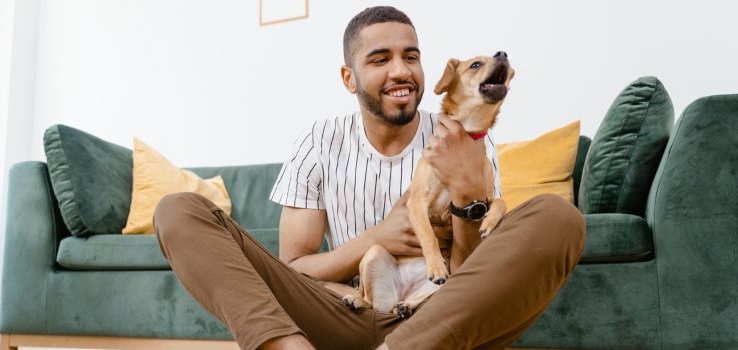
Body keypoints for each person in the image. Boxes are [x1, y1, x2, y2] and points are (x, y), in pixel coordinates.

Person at [154, 6, 585, 350]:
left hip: (438, 317)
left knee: (558, 218)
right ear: (349, 78)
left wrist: (469, 198)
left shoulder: (465, 136)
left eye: (410, 57)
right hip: (343, 308)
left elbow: (469, 276)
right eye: (380, 59)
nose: (400, 71)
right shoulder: (318, 140)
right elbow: (296, 268)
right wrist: (378, 237)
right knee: (177, 210)